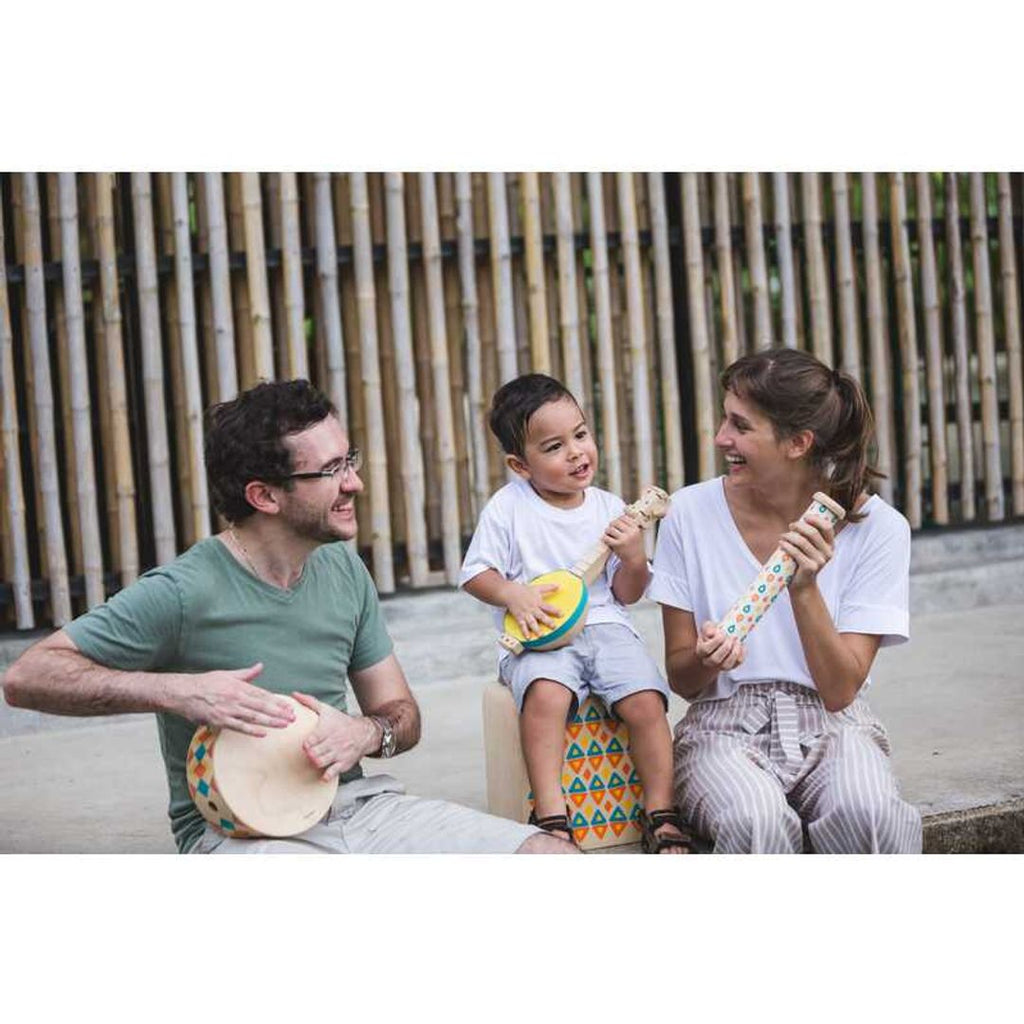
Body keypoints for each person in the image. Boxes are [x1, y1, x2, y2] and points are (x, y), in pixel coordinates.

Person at [2, 379, 574, 854]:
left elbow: (401, 714)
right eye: (331, 471)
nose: (355, 482)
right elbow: (27, 677)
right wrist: (178, 691)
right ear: (264, 496)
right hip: (238, 836)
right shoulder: (182, 590)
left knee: (549, 859)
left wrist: (366, 732)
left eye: (348, 460)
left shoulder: (345, 572)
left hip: (358, 809)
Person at [649, 348, 922, 854]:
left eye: (740, 425)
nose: (720, 438)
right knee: (755, 820)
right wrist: (706, 662)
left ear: (798, 443)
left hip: (834, 725)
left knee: (873, 813)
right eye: (724, 418)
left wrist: (804, 588)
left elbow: (840, 690)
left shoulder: (880, 529)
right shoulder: (688, 513)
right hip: (722, 727)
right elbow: (683, 679)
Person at [460, 373, 691, 853]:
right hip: (539, 633)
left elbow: (627, 594)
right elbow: (475, 573)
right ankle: (551, 812)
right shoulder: (508, 508)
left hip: (606, 625)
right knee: (545, 696)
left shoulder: (610, 508)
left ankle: (661, 810)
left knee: (647, 700)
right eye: (554, 446)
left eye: (581, 435)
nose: (576, 452)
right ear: (519, 465)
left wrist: (632, 556)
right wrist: (512, 594)